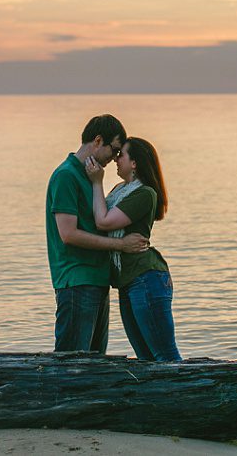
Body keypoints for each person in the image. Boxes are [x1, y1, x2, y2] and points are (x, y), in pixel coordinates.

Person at [46, 115, 150, 353]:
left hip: (97, 280)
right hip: (76, 280)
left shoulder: (91, 177)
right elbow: (68, 234)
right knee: (71, 366)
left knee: (94, 365)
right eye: (113, 150)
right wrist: (120, 245)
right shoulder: (66, 176)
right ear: (98, 140)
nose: (115, 158)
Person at [85, 137, 181, 361]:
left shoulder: (144, 194)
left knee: (165, 356)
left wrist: (96, 183)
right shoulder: (120, 190)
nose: (116, 159)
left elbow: (104, 222)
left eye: (122, 155)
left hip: (146, 278)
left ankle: (195, 392)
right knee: (145, 358)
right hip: (128, 281)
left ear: (135, 163)